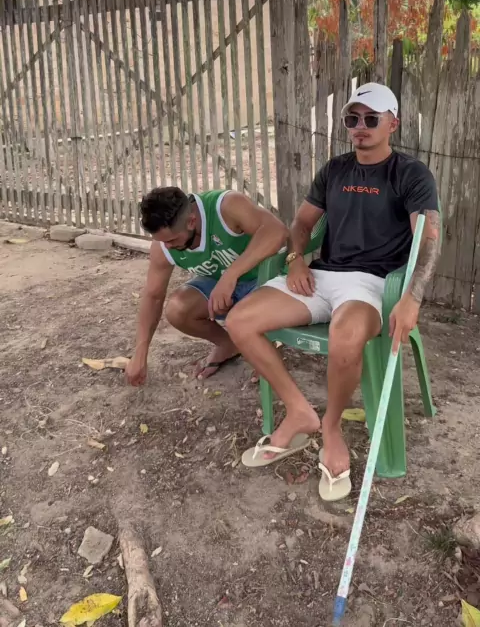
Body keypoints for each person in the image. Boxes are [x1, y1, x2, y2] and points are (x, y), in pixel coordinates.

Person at [226, 82, 441, 501]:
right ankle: (299, 411)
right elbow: (302, 223)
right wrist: (296, 259)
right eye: (352, 118)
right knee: (239, 321)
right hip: (322, 276)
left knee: (346, 336)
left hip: (373, 283)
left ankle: (332, 427)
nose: (360, 126)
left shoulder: (411, 174)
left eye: (371, 119)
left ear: (393, 124)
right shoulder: (335, 169)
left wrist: (411, 297)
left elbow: (427, 242)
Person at [125, 186, 288, 386]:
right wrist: (140, 353)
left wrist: (230, 275)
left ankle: (265, 347)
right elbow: (153, 296)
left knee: (241, 318)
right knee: (177, 309)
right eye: (161, 241)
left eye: (172, 239)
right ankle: (229, 345)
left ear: (191, 221)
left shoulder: (226, 206)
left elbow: (276, 231)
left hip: (266, 280)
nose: (167, 246)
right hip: (225, 286)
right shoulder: (163, 246)